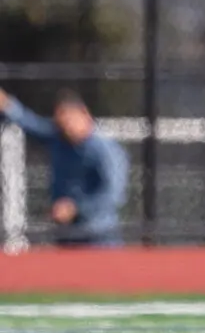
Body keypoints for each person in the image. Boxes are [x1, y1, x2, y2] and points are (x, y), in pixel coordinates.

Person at [0, 87, 129, 247]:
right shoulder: (59, 139)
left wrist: (76, 208)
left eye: (69, 120)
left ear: (84, 113)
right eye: (61, 122)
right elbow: (31, 124)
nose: (66, 127)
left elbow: (113, 194)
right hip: (66, 235)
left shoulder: (104, 149)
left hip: (98, 237)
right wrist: (7, 105)